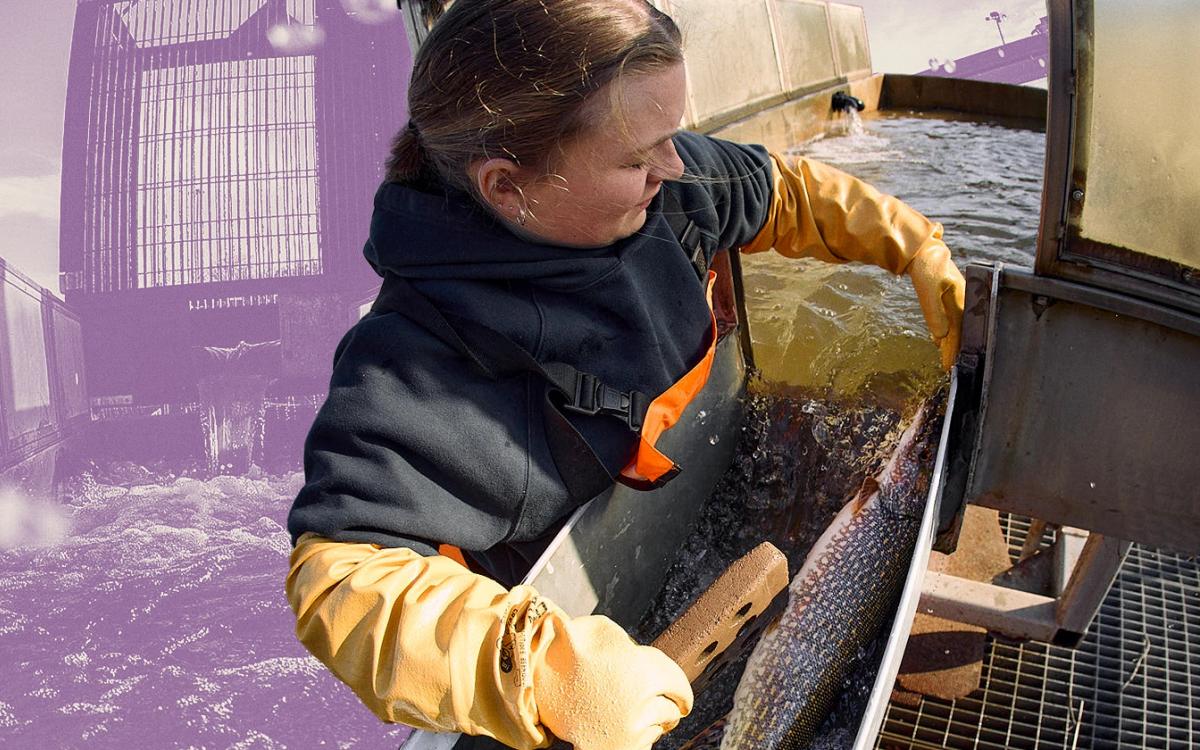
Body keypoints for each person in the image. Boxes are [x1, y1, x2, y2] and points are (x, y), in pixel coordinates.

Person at [285, 1, 965, 749]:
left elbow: (782, 190)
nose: (673, 169)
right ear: (508, 185)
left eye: (669, 137)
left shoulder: (667, 190)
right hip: (574, 675)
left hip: (671, 510)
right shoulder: (414, 362)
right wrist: (533, 667)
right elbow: (339, 584)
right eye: (639, 158)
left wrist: (912, 247)